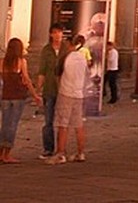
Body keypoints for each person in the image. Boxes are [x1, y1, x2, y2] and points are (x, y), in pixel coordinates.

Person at [47, 34, 89, 164]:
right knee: (78, 124)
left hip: (66, 92)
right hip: (78, 93)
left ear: (70, 44)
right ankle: (80, 152)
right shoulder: (82, 57)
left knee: (63, 124)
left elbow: (58, 74)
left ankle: (60, 153)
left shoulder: (66, 57)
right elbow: (86, 74)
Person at [1, 37, 41, 163]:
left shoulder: (2, 62)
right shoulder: (21, 62)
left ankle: (0, 152)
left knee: (5, 124)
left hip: (5, 96)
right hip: (18, 96)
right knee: (12, 125)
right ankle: (7, 154)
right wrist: (35, 95)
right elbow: (27, 79)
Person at [36, 23, 70, 158]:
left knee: (63, 121)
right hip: (50, 89)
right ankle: (48, 148)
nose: (57, 35)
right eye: (55, 32)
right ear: (51, 34)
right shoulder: (46, 50)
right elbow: (42, 71)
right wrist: (38, 90)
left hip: (64, 89)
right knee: (48, 121)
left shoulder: (66, 48)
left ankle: (61, 148)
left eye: (60, 32)